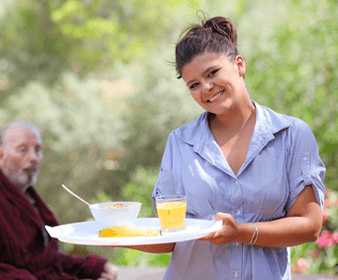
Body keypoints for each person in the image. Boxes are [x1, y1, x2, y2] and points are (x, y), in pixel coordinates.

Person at [125, 16, 326, 279]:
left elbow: (309, 227)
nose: (206, 88)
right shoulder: (180, 142)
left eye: (212, 73)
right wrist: (115, 233)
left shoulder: (291, 135)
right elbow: (169, 237)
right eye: (193, 85)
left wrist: (241, 232)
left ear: (239, 65)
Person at [0, 121, 118, 280]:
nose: (33, 158)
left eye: (38, 150)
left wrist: (93, 266)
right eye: (23, 149)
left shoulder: (28, 198)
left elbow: (42, 262)